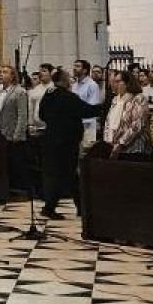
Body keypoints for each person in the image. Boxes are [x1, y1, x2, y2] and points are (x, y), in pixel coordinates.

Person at [37, 68, 100, 220]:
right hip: (66, 142)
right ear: (62, 80)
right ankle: (50, 207)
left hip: (51, 139)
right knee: (64, 174)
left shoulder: (48, 94)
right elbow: (86, 111)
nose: (71, 80)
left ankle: (81, 207)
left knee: (69, 176)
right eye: (68, 78)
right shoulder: (67, 97)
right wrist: (104, 107)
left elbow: (41, 114)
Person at [0, 65, 30, 189]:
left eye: (5, 72)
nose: (1, 75)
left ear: (12, 76)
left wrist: (18, 134)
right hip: (0, 133)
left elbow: (22, 115)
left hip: (13, 135)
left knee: (16, 164)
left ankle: (19, 189)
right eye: (1, 72)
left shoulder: (19, 92)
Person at [107, 70, 153, 163]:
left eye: (118, 81)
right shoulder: (115, 99)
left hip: (134, 149)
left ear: (127, 83)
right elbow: (108, 122)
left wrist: (121, 143)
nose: (114, 84)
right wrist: (109, 142)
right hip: (115, 147)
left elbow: (137, 125)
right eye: (114, 81)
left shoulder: (138, 98)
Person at [72, 60, 102, 153]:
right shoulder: (74, 85)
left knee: (85, 154)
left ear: (85, 70)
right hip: (75, 125)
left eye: (77, 66)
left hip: (88, 126)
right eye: (74, 66)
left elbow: (92, 108)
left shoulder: (92, 85)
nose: (74, 68)